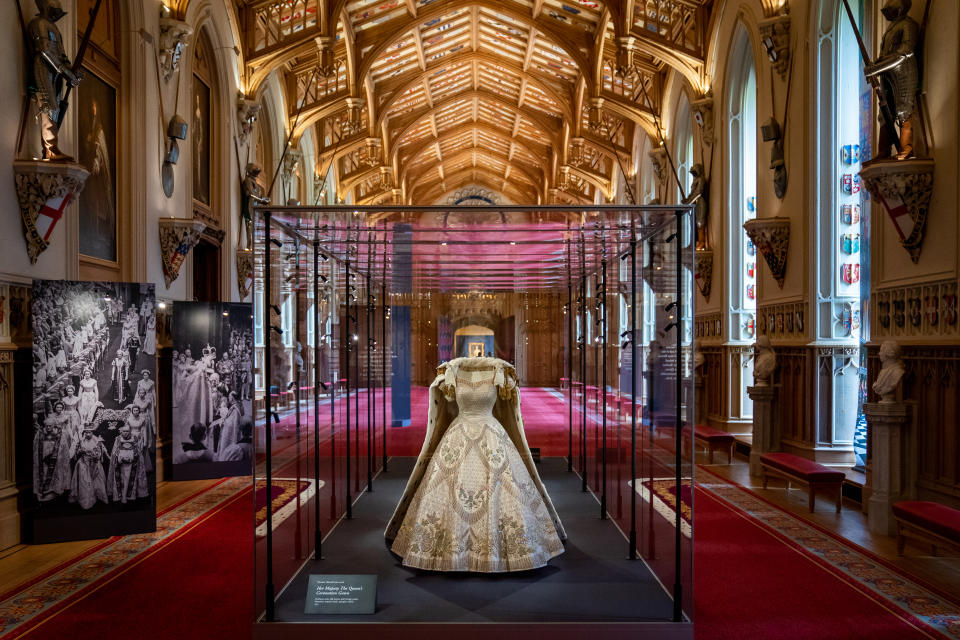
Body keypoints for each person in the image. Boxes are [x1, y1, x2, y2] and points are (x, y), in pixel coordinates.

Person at [386, 357, 565, 572]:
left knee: (504, 486)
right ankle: (451, 551)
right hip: (458, 435)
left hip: (492, 434)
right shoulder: (452, 372)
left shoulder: (500, 372)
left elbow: (511, 405)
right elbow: (439, 397)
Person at [69, 427, 109, 509]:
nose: (88, 434)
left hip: (94, 464)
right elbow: (77, 453)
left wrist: (96, 456)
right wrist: (80, 451)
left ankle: (97, 497)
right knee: (85, 481)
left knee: (97, 481)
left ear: (92, 432)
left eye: (89, 432)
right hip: (83, 463)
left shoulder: (97, 441)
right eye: (86, 432)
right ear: (84, 433)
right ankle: (86, 500)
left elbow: (100, 453)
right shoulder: (81, 441)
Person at [108, 425, 149, 504]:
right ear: (121, 431)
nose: (125, 433)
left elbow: (138, 451)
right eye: (124, 431)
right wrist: (119, 458)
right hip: (120, 465)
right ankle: (120, 497)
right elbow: (114, 452)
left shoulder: (134, 438)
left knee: (130, 481)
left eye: (127, 431)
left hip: (131, 465)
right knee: (122, 480)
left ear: (130, 431)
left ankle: (130, 498)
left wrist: (132, 457)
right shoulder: (118, 439)